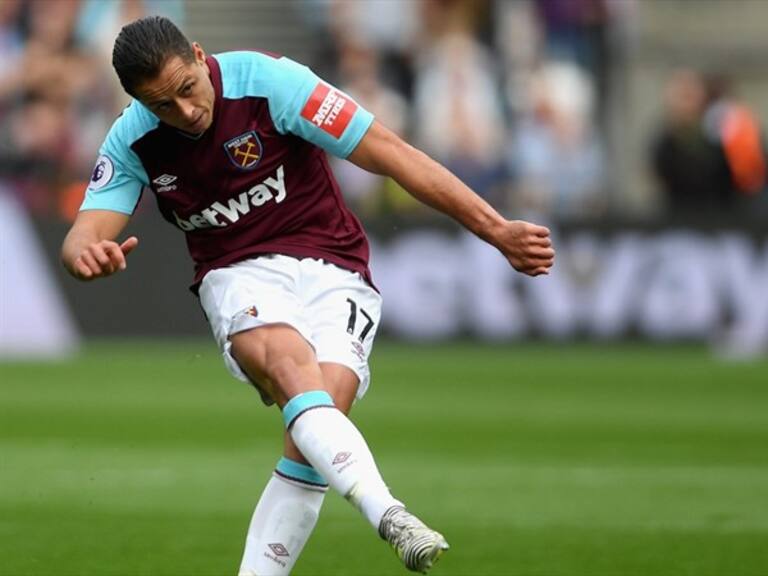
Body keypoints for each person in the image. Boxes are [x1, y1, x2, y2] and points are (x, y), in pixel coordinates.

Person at [61, 16, 555, 575]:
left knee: (316, 435)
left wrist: (496, 230)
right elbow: (84, 233)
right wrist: (85, 256)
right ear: (137, 102)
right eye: (162, 105)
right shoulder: (133, 138)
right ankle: (389, 513)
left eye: (187, 88)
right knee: (290, 369)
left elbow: (391, 152)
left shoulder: (271, 83)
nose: (185, 111)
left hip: (334, 265)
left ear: (199, 56)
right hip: (237, 272)